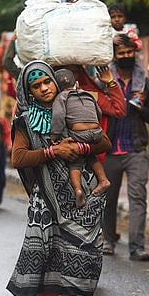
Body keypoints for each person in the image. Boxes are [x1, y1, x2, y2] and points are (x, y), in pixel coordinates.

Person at [7, 60, 111, 296]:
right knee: (54, 258)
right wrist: (53, 153)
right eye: (36, 86)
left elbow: (104, 143)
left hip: (82, 199)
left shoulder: (74, 107)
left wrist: (78, 146)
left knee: (87, 253)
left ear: (55, 81)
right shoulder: (25, 122)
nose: (44, 88)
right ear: (28, 92)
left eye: (47, 82)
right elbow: (18, 158)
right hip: (48, 202)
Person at [101, 34, 149, 261]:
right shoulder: (103, 81)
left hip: (135, 148)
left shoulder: (145, 81)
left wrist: (139, 107)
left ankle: (137, 247)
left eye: (128, 52)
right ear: (114, 56)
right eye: (120, 53)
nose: (125, 57)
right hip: (109, 149)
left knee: (138, 198)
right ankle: (108, 240)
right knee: (108, 199)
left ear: (134, 52)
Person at [51, 68, 111, 207]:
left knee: (75, 160)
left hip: (78, 134)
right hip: (97, 132)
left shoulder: (61, 97)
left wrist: (55, 136)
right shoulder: (88, 94)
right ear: (77, 83)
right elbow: (99, 112)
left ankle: (78, 190)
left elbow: (58, 118)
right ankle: (103, 180)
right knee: (91, 156)